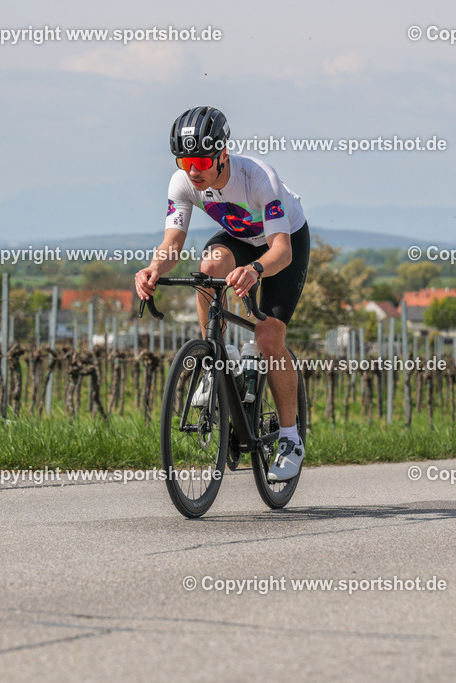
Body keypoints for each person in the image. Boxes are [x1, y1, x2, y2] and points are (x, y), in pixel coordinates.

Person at [133, 106, 310, 481]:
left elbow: (281, 250)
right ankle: (218, 356)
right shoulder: (181, 182)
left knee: (267, 336)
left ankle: (291, 439)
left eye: (200, 160)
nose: (192, 170)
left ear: (222, 155)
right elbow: (172, 243)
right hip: (239, 237)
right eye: (184, 160)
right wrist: (152, 269)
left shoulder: (259, 178)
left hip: (282, 242)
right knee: (209, 268)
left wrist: (256, 269)